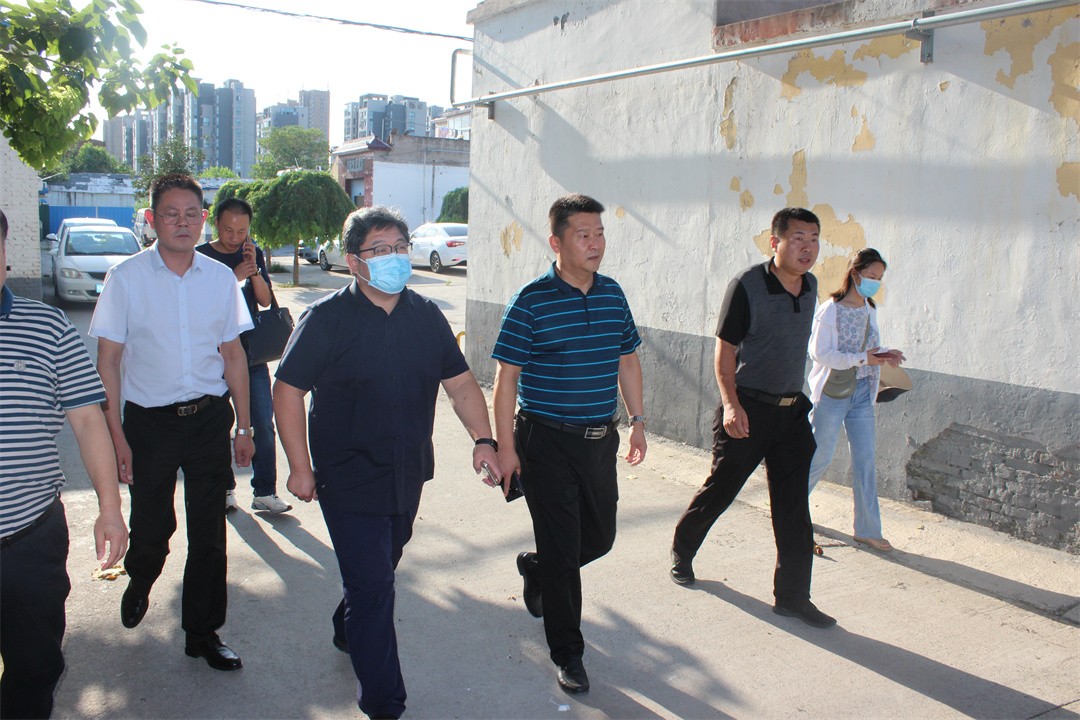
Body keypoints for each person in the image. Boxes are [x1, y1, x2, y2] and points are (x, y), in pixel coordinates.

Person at [273, 206, 500, 720]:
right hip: (347, 475)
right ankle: (384, 703)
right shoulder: (326, 320)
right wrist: (299, 466)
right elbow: (286, 391)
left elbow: (461, 385)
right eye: (380, 249)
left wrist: (483, 440)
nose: (394, 257)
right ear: (354, 261)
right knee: (375, 587)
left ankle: (347, 623)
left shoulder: (427, 316)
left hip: (407, 471)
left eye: (400, 247)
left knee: (379, 567)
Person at [89, 173, 255, 671]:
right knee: (152, 526)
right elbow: (108, 362)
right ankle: (141, 576)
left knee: (209, 534)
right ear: (151, 219)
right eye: (170, 214)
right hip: (149, 424)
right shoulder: (126, 278)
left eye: (191, 214)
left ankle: (202, 633)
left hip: (208, 420)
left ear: (203, 219)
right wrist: (116, 435)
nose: (182, 223)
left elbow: (233, 355)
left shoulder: (220, 279)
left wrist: (244, 428)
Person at [492, 193, 647, 695]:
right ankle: (568, 653)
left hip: (599, 439)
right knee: (563, 547)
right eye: (584, 234)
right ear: (556, 242)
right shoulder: (531, 300)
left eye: (600, 233)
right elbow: (506, 379)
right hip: (545, 440)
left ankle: (538, 568)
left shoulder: (612, 294)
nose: (595, 243)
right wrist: (506, 448)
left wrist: (638, 420)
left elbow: (627, 359)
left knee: (599, 538)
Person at [670, 207, 836, 629]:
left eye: (814, 239)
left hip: (791, 413)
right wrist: (731, 405)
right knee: (721, 490)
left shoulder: (811, 285)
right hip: (748, 408)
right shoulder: (747, 285)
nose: (808, 248)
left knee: (793, 507)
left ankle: (793, 597)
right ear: (775, 242)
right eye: (798, 238)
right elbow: (725, 349)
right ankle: (682, 550)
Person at [0, 210, 127, 719]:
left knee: (35, 667)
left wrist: (110, 509)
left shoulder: (47, 326)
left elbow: (89, 422)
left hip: (28, 538)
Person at [196, 197, 291, 515]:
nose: (235, 237)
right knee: (218, 424)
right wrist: (234, 276)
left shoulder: (252, 253)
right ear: (216, 224)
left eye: (242, 231)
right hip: (212, 355)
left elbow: (264, 301)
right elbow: (200, 306)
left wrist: (253, 271)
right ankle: (224, 489)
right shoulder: (200, 256)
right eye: (228, 230)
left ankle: (265, 491)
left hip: (251, 354)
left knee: (263, 422)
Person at [807, 248, 905, 552]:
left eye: (880, 278)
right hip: (833, 393)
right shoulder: (830, 310)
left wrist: (885, 355)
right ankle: (790, 513)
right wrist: (863, 359)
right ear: (855, 274)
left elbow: (868, 349)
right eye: (871, 276)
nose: (875, 282)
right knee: (819, 457)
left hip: (862, 393)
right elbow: (820, 354)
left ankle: (867, 529)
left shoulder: (870, 309)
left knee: (865, 460)